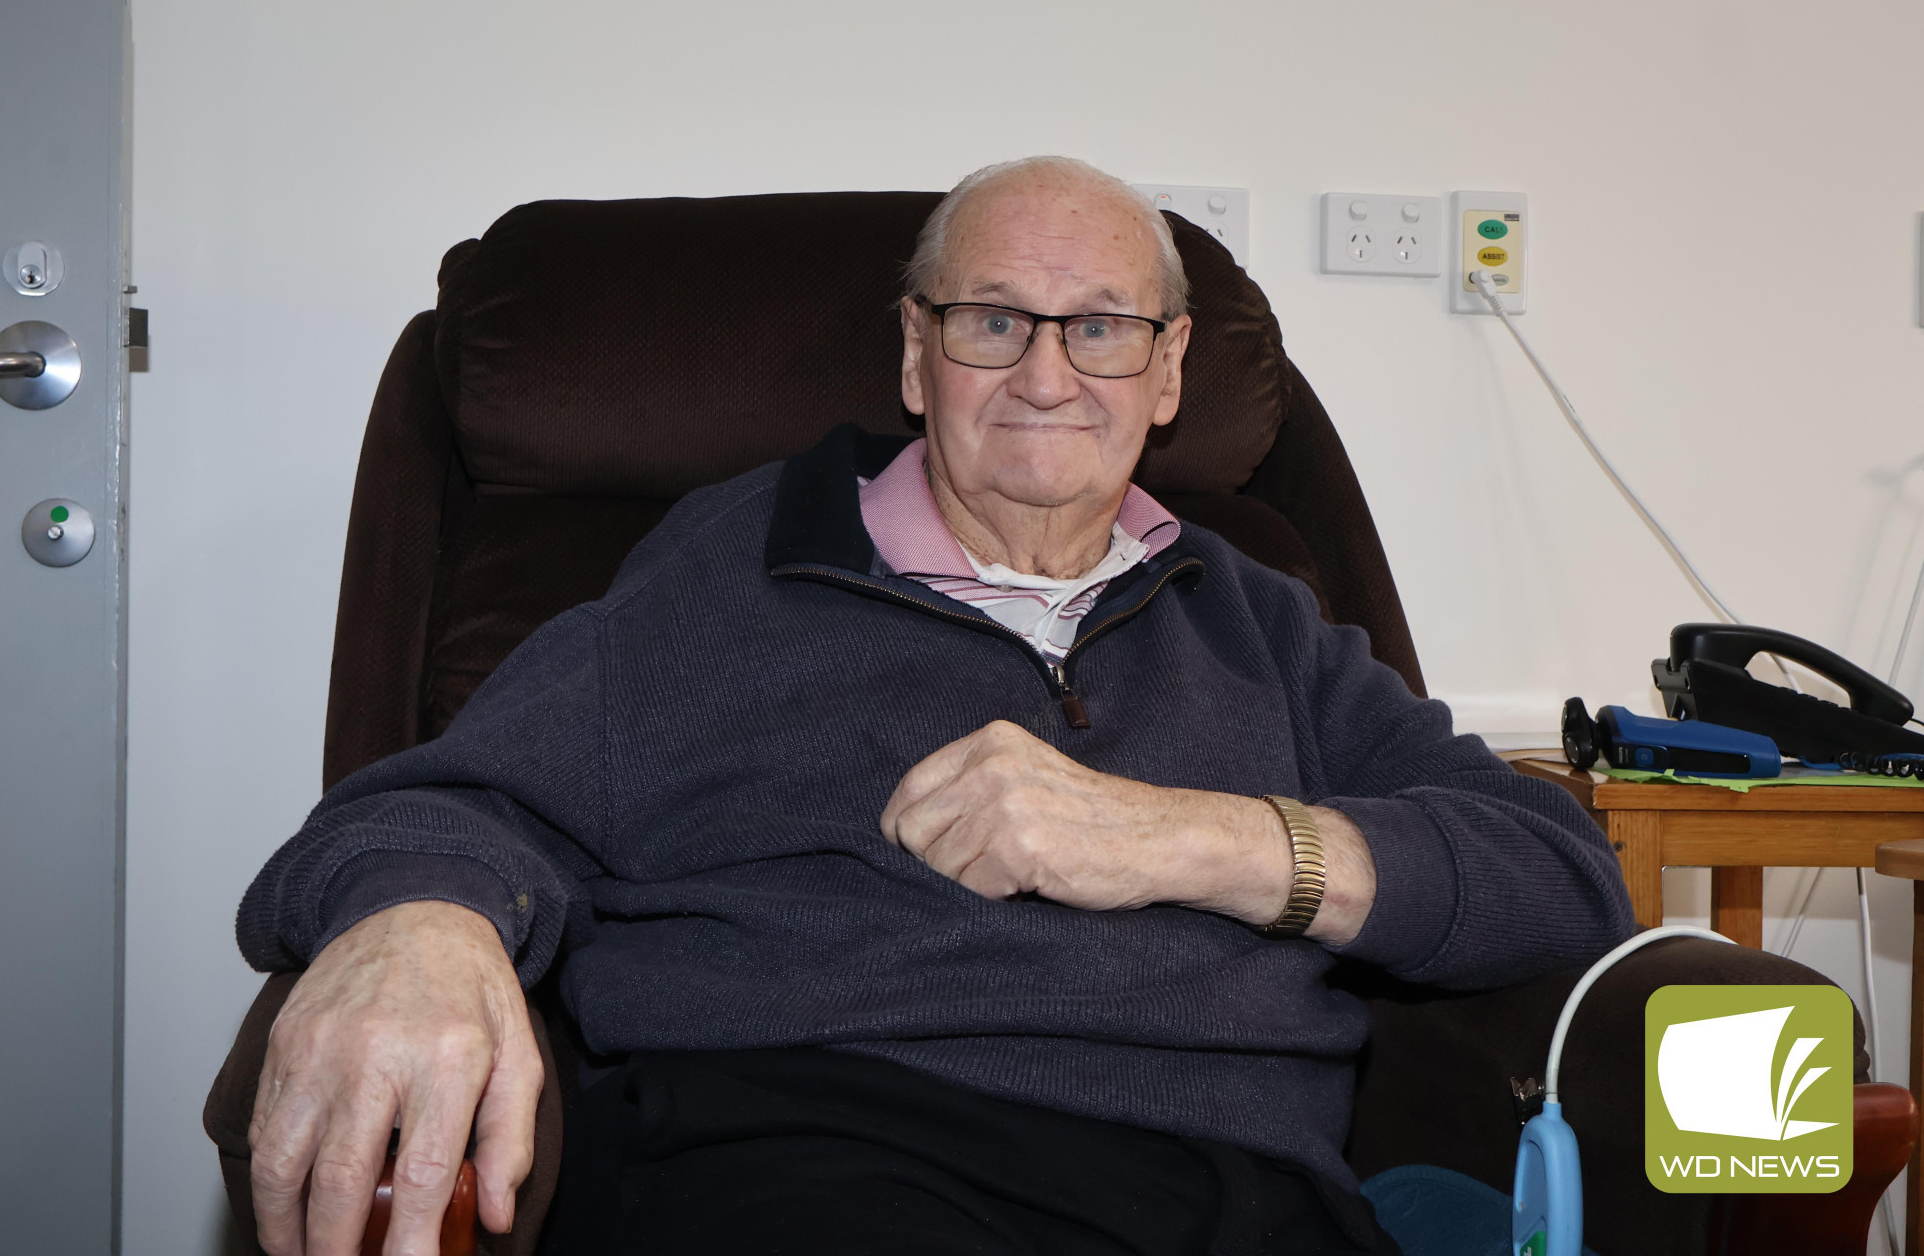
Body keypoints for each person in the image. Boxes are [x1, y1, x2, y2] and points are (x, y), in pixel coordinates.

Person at [237, 156, 1633, 1256]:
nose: (1044, 373)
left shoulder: (1256, 616)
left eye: (1099, 327)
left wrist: (1177, 840)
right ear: (916, 355)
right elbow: (448, 797)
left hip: (1242, 1186)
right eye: (991, 321)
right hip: (824, 1151)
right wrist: (419, 919)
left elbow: (1558, 875)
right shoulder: (735, 572)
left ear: (1168, 372)